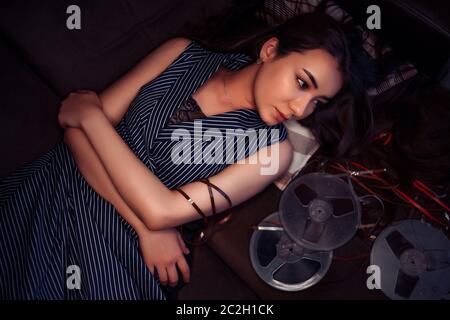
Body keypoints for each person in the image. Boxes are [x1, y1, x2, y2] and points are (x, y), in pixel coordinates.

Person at [0, 12, 372, 299]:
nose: (300, 109)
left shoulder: (273, 152)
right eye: (302, 83)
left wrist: (92, 116)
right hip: (63, 186)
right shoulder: (182, 53)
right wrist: (149, 224)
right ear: (270, 51)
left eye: (316, 102)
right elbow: (73, 138)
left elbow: (161, 210)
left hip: (126, 247)